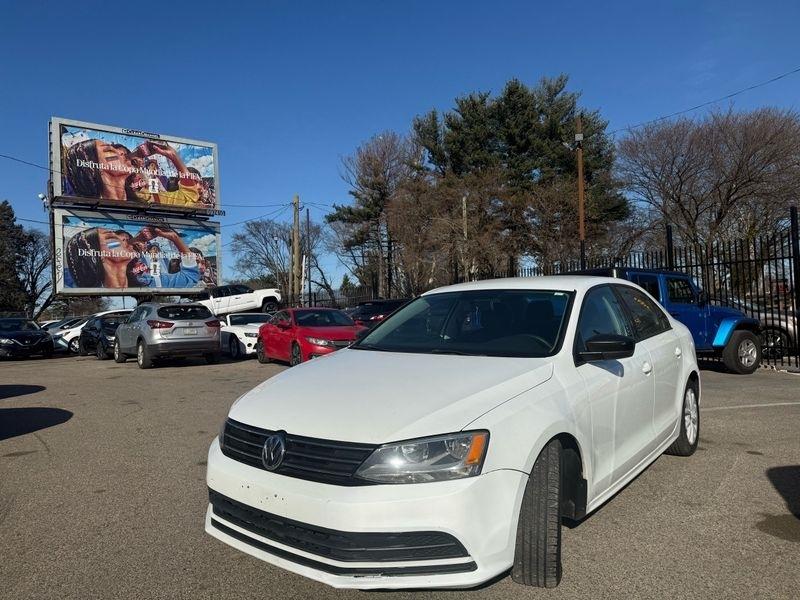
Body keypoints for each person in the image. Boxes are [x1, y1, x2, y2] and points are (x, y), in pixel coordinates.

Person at [64, 225, 200, 289]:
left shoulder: (147, 281)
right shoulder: (86, 289)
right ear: (98, 256)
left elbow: (190, 277)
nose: (124, 241)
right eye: (112, 238)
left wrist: (175, 238)